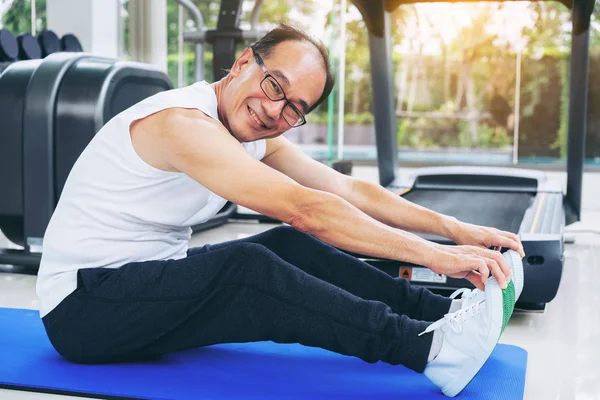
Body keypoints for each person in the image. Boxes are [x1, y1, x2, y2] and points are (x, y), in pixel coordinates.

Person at [37, 24, 525, 398]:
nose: (276, 111)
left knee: (289, 247)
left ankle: (440, 313)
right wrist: (436, 258)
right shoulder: (183, 124)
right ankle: (429, 349)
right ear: (243, 61)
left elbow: (347, 189)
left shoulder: (251, 134)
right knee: (247, 270)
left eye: (294, 107)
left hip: (143, 287)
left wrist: (456, 230)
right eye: (275, 85)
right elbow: (305, 208)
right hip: (84, 310)